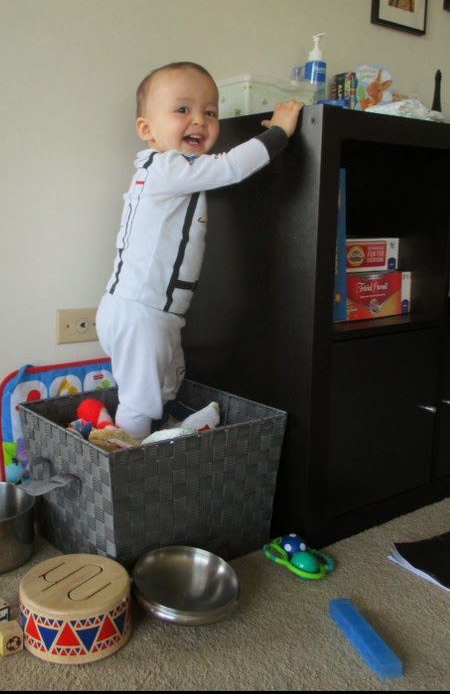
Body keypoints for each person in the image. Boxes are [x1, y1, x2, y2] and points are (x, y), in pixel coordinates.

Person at [96, 61, 303, 440]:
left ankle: (161, 434)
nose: (199, 120)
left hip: (143, 311)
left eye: (210, 112)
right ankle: (128, 458)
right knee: (140, 402)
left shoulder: (156, 170)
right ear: (146, 129)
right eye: (182, 109)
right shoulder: (169, 167)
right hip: (144, 313)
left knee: (168, 381)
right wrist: (278, 133)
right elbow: (230, 167)